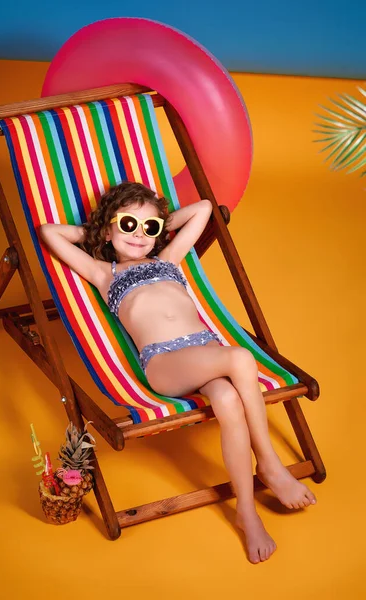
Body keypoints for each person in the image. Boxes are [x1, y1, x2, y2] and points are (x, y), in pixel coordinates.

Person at [39, 181, 317, 564]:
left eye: (149, 228)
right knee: (239, 359)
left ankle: (247, 513)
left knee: (226, 399)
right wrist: (100, 227)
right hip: (163, 363)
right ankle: (269, 464)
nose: (138, 234)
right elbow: (49, 233)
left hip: (202, 352)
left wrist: (153, 223)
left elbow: (203, 208)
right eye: (127, 225)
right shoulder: (104, 271)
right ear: (107, 230)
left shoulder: (168, 259)